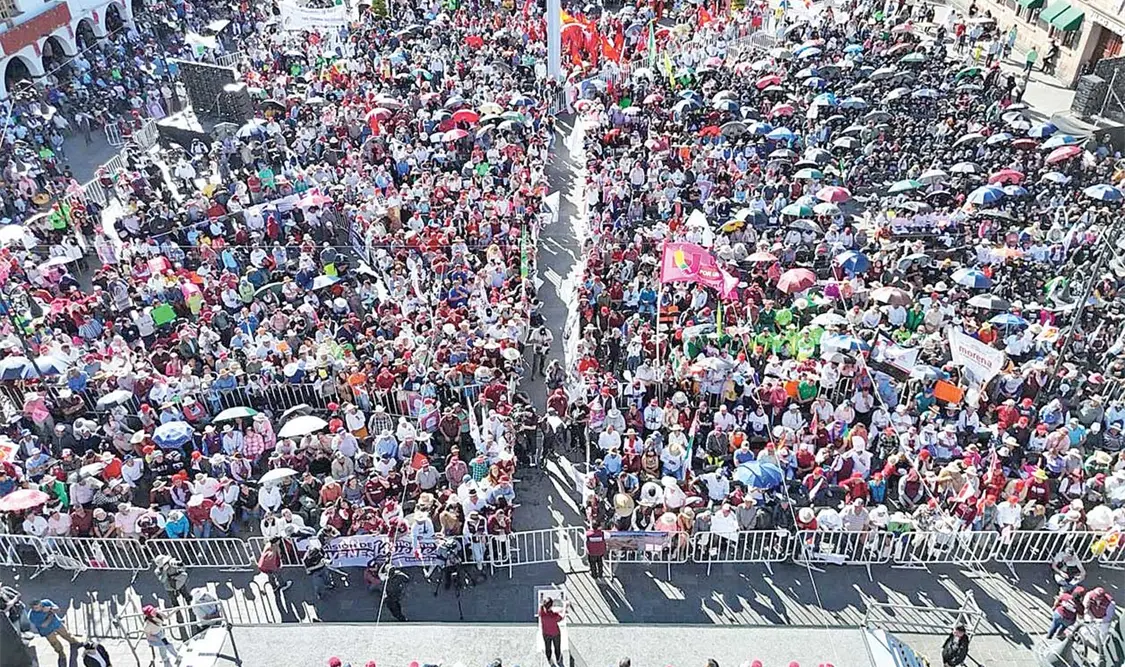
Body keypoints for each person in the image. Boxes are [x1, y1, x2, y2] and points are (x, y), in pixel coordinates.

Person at [28, 599, 81, 666]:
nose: (40, 608)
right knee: (55, 643)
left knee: (66, 634)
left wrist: (50, 609)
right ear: (32, 608)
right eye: (37, 608)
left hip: (56, 624)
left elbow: (58, 609)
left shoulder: (46, 602)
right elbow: (44, 624)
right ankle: (61, 655)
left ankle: (75, 643)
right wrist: (51, 614)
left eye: (41, 606)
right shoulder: (32, 616)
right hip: (47, 631)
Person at [538, 596, 565, 667]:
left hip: (546, 633)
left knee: (548, 647)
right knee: (557, 647)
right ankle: (558, 659)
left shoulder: (541, 612)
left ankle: (549, 659)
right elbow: (562, 616)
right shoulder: (554, 616)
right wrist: (565, 606)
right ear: (550, 607)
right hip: (555, 633)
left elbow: (542, 605)